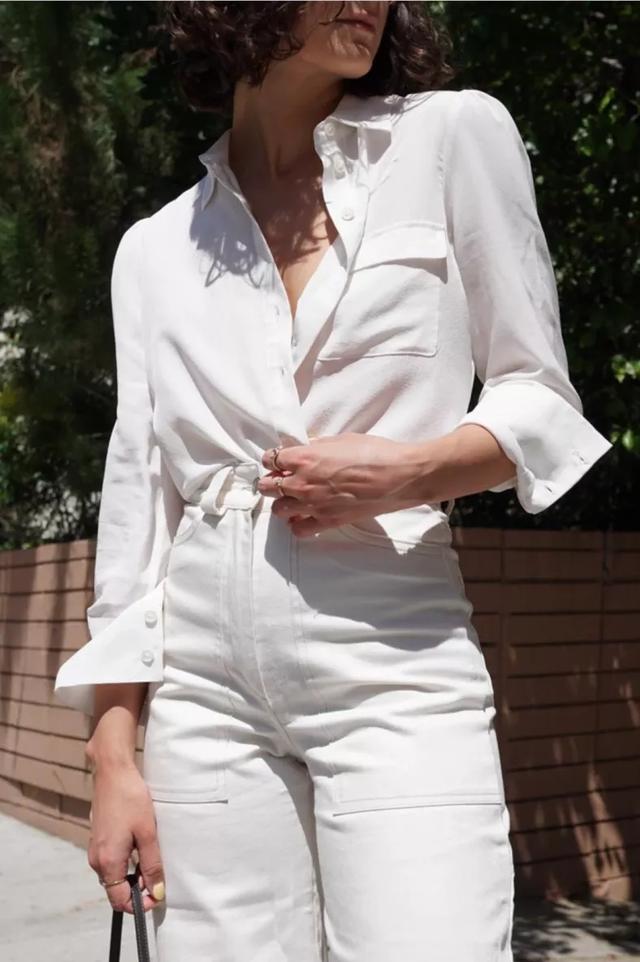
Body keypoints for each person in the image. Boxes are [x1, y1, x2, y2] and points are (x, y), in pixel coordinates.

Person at [54, 2, 613, 960]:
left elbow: (538, 396)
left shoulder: (450, 136)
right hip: (202, 687)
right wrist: (113, 757)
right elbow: (140, 501)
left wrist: (412, 470)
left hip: (392, 655)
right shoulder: (154, 248)